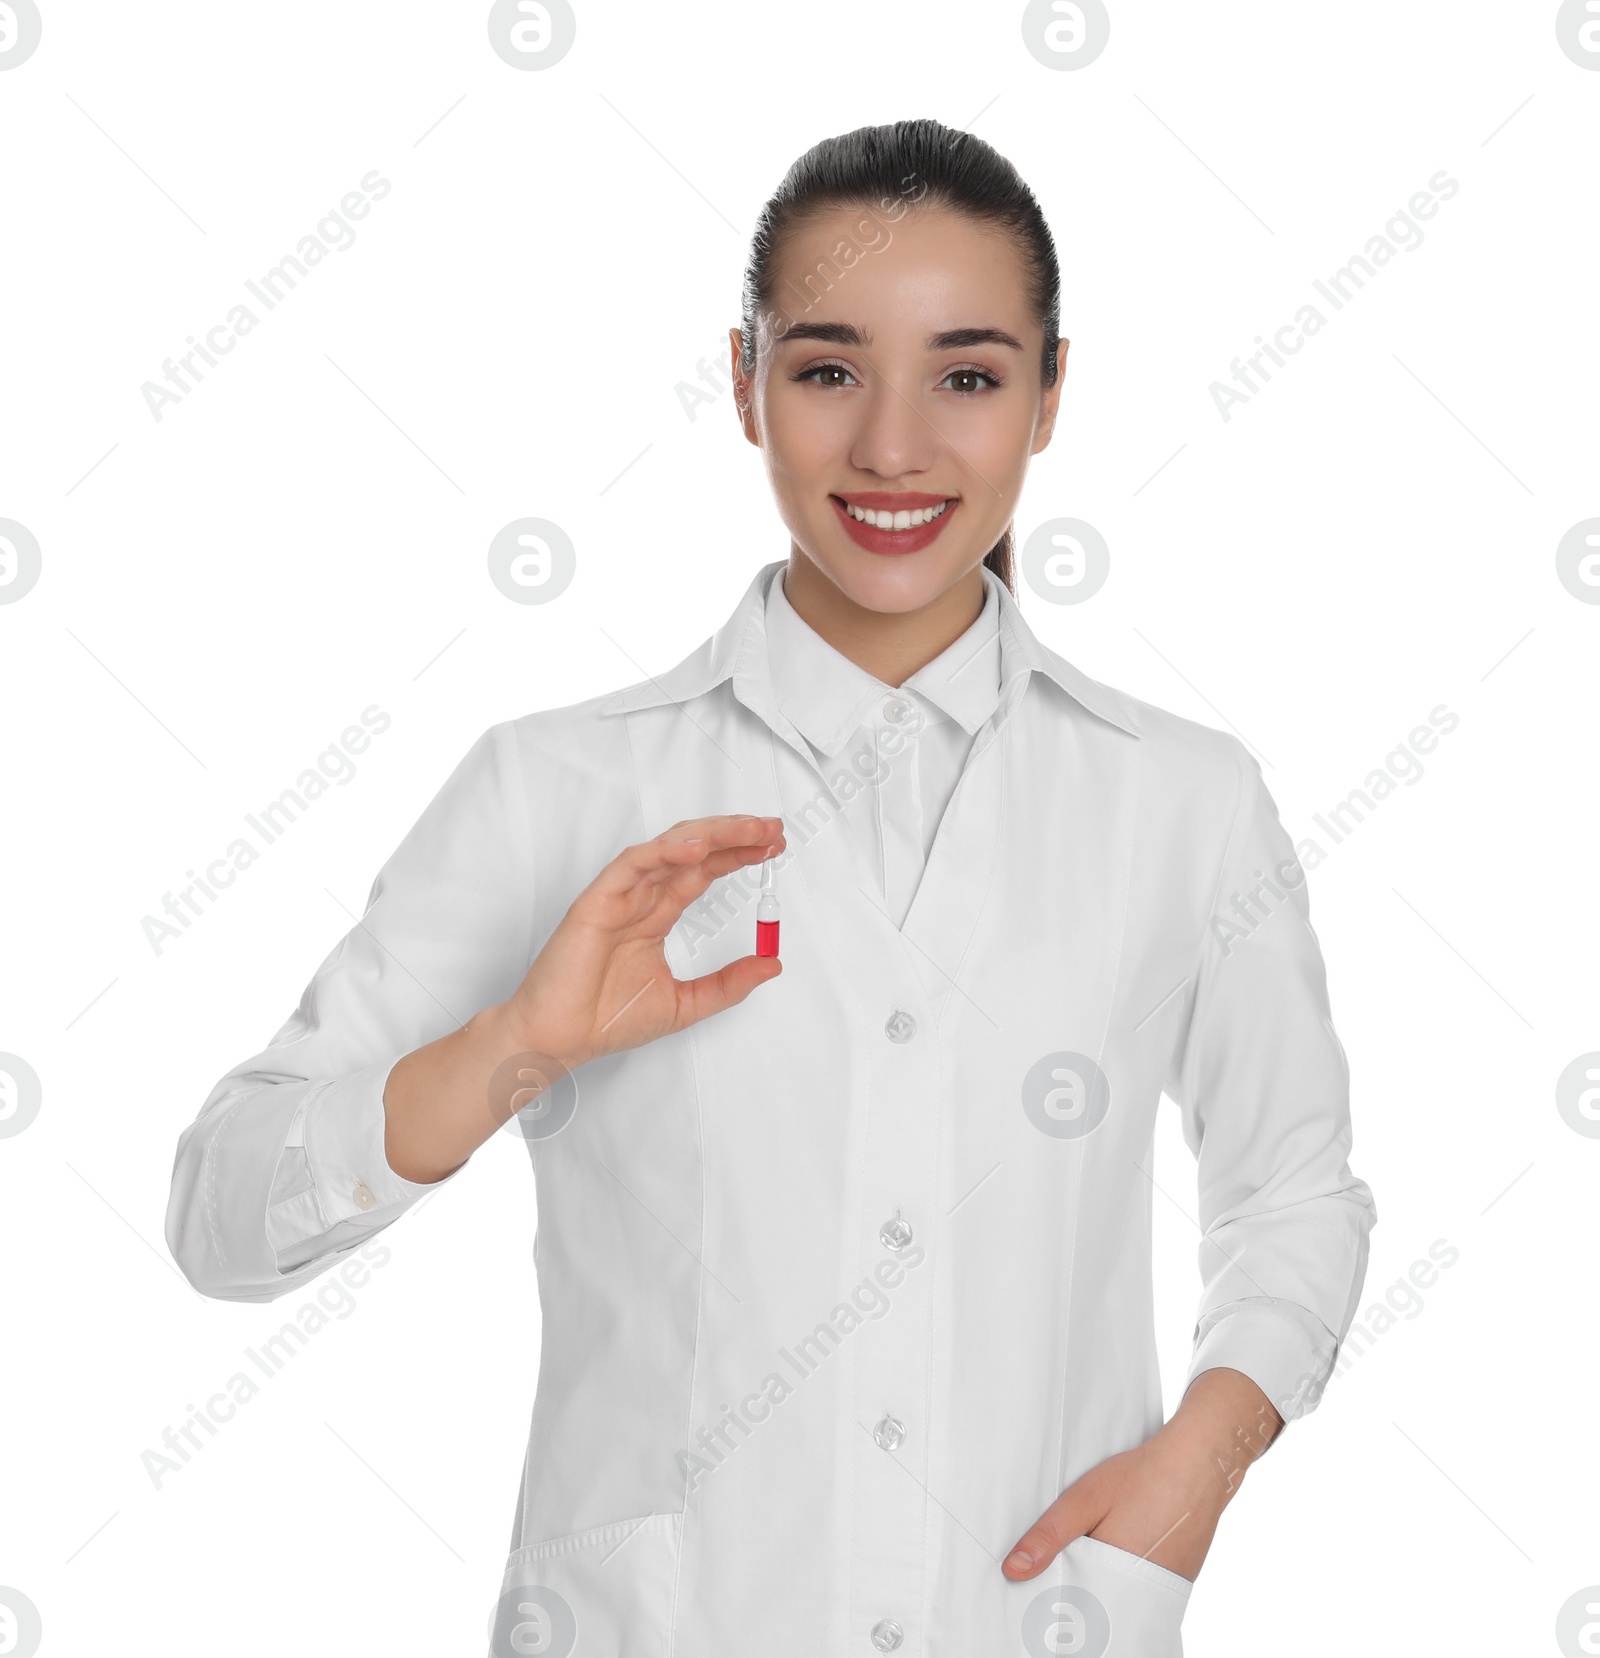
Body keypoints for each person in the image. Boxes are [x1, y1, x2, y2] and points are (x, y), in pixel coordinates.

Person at [166, 117, 1375, 1657]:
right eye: (825, 369)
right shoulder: (559, 791)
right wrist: (507, 1050)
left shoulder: (1183, 801)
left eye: (968, 373)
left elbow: (1295, 1196)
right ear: (742, 383)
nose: (890, 446)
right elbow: (222, 1213)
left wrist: (1197, 1471)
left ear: (1052, 393)